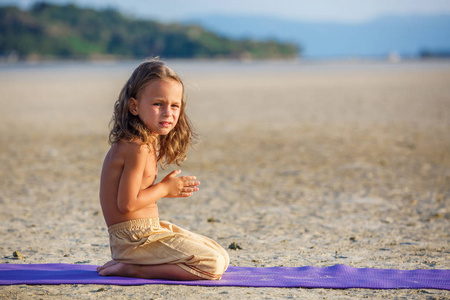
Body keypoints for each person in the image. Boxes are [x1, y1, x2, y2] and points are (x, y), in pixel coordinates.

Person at [97, 60, 229, 280]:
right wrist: (165, 188)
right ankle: (132, 268)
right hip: (133, 239)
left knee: (221, 255)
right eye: (158, 104)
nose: (168, 113)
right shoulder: (136, 147)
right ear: (134, 106)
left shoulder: (145, 142)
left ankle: (133, 262)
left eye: (174, 106)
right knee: (212, 265)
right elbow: (127, 204)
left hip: (148, 232)